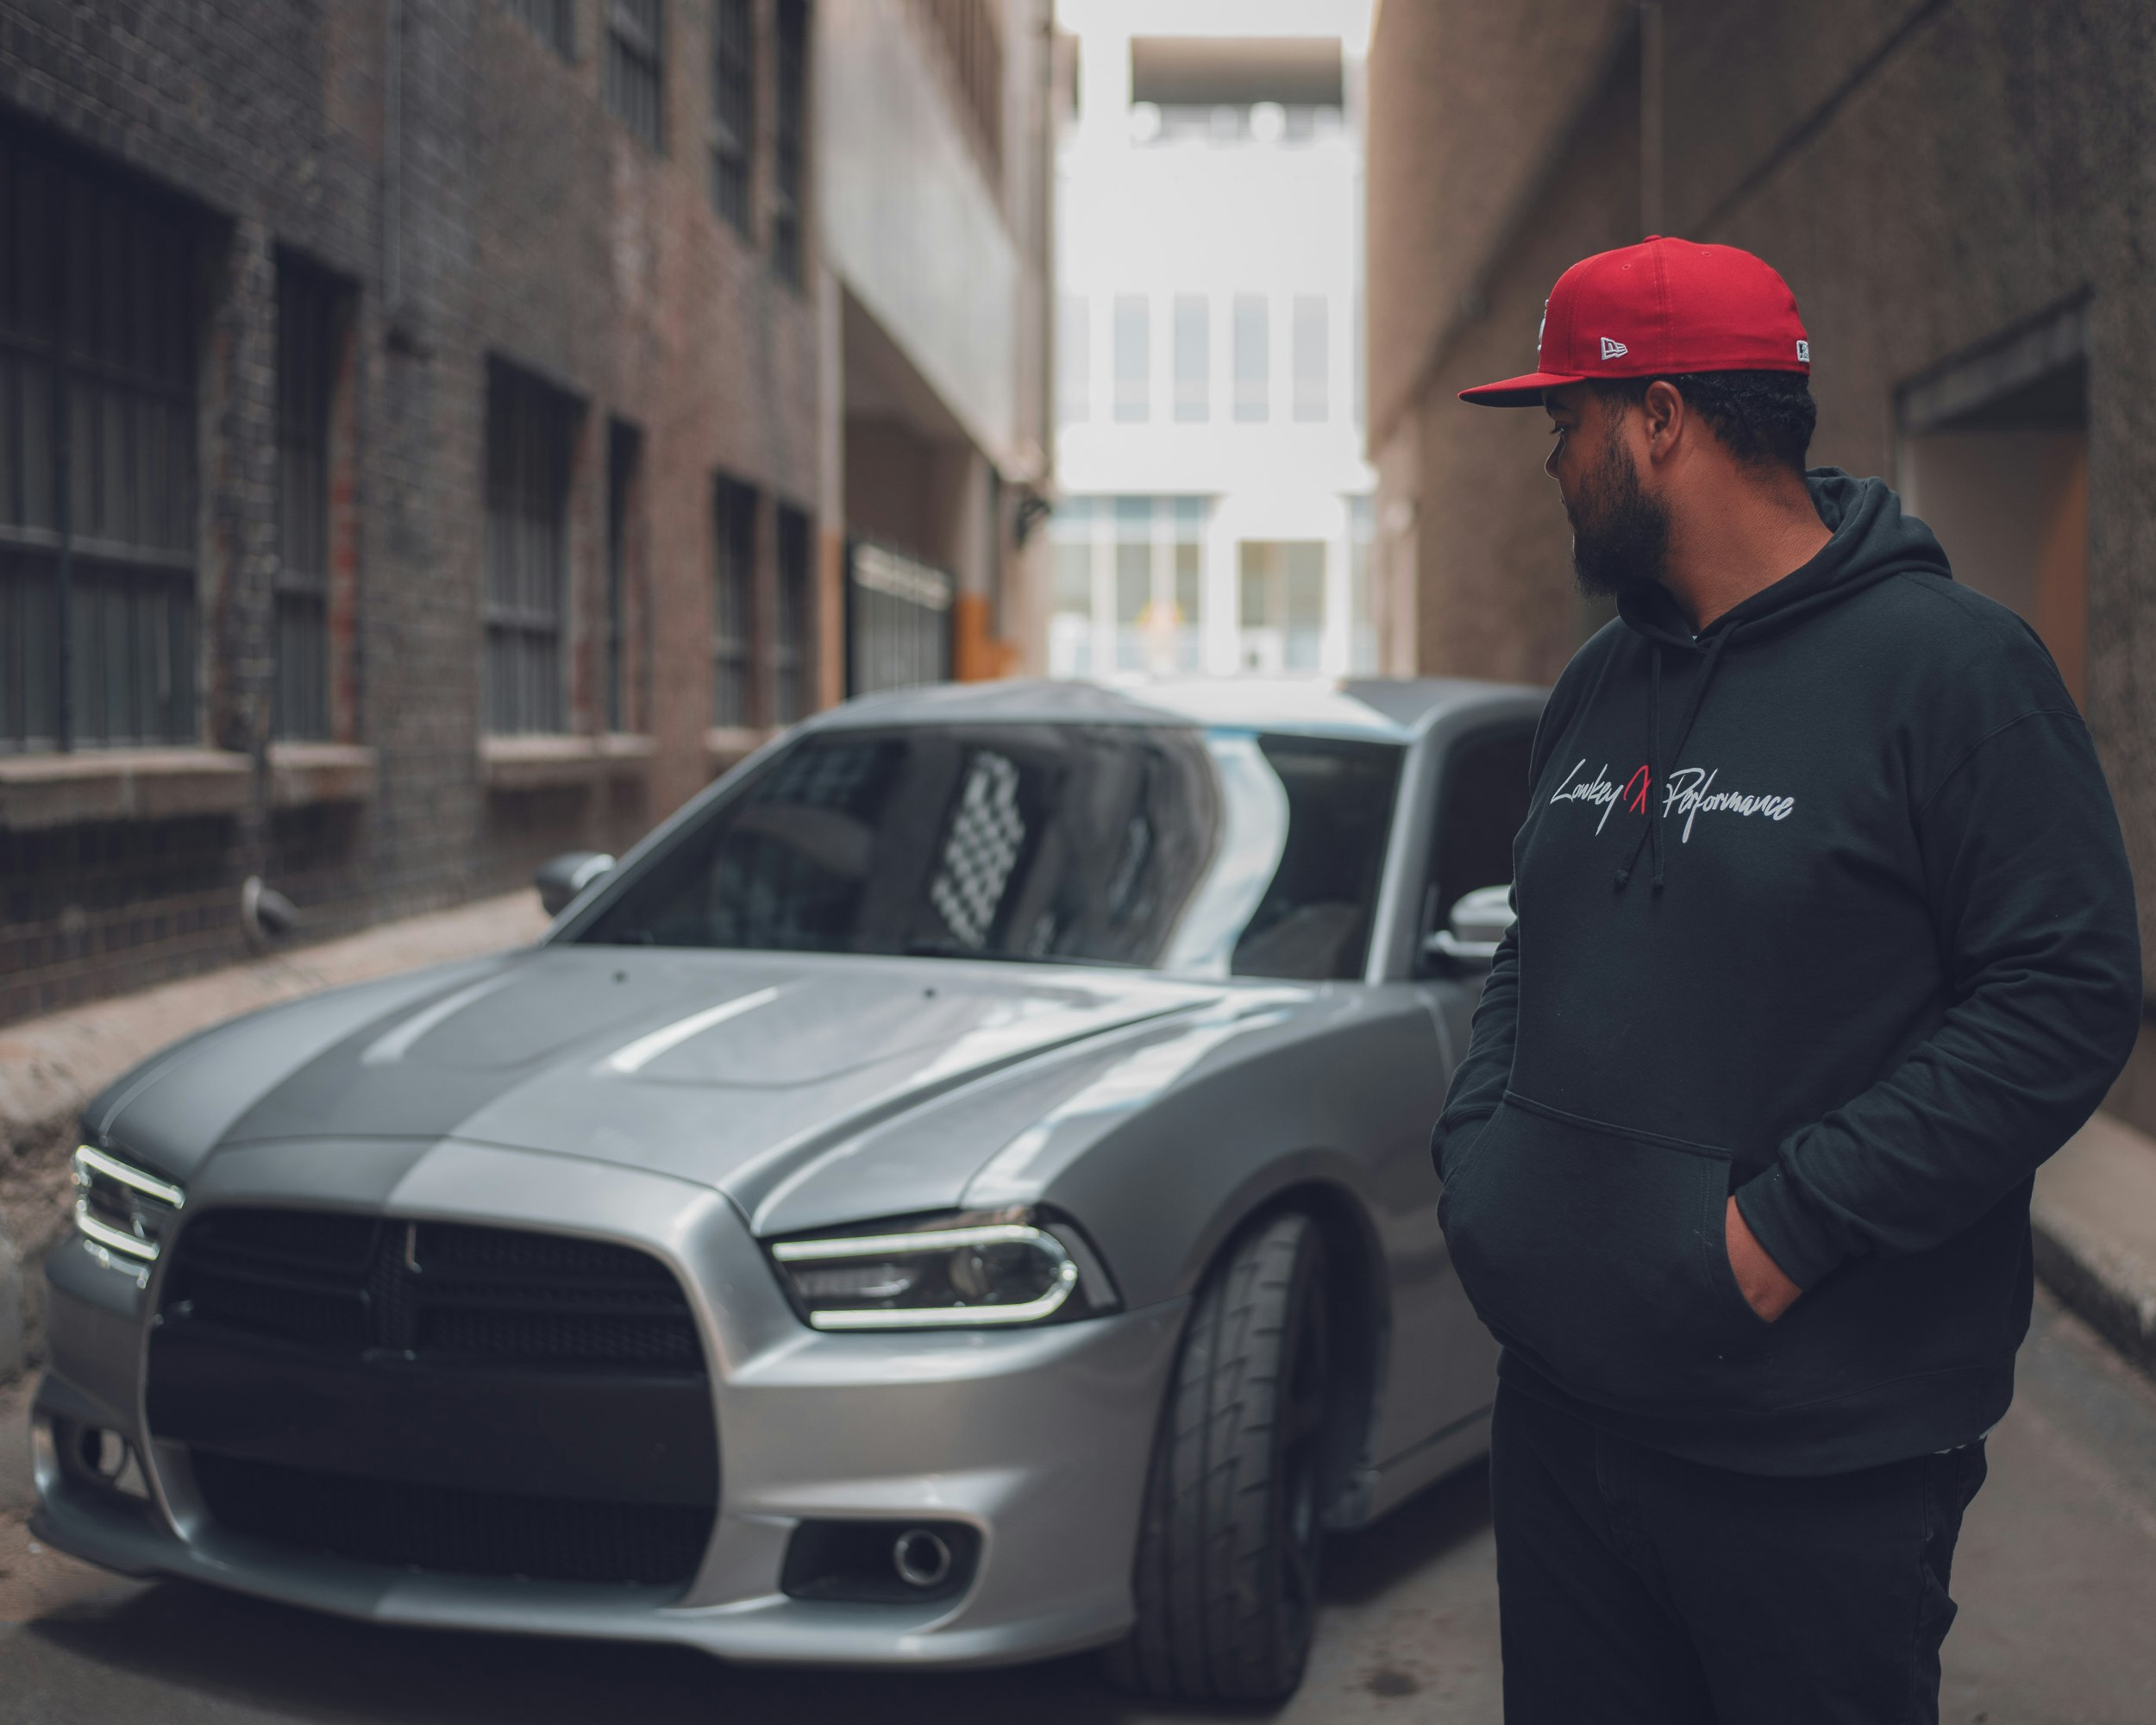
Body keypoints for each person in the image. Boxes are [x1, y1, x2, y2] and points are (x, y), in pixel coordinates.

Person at [1432, 235, 2141, 1724]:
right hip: (1562, 1431)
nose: (1552, 461)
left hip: (1817, 1466)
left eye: (1567, 421)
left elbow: (2062, 999)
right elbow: (1532, 943)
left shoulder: (1953, 674)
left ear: (1661, 421)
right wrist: (1482, 1159)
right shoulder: (1598, 683)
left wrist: (1779, 1231)